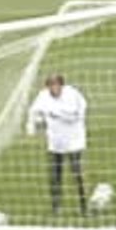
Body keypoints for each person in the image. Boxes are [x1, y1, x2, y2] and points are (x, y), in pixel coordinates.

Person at [27, 73, 89, 215]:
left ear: (62, 85)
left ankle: (84, 206)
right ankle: (56, 207)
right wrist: (32, 126)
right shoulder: (43, 96)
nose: (53, 89)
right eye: (50, 86)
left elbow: (77, 115)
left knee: (77, 173)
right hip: (55, 141)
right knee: (54, 175)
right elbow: (33, 111)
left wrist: (57, 114)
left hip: (74, 140)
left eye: (55, 85)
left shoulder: (73, 95)